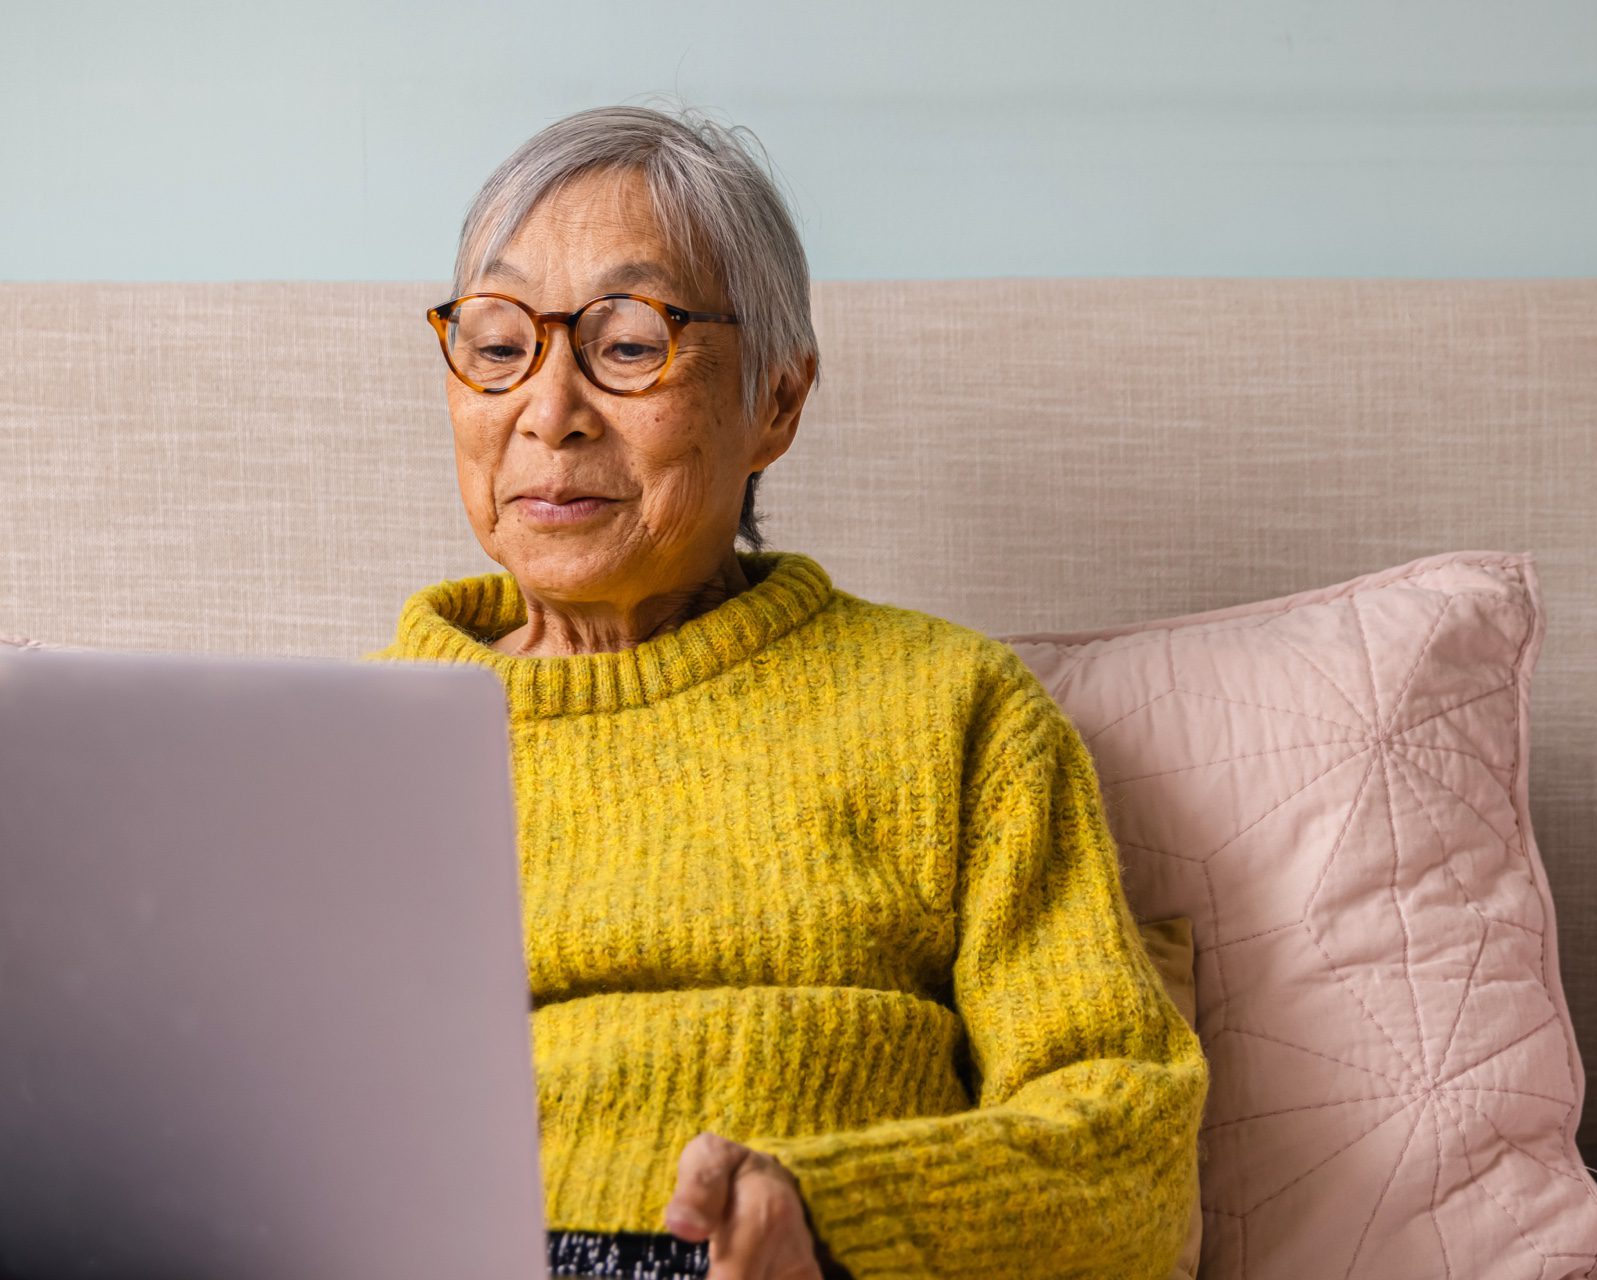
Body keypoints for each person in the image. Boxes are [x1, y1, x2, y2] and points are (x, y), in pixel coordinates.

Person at [362, 102, 1207, 1280]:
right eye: (501, 346)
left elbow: (1130, 1144)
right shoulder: (338, 752)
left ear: (777, 399)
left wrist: (832, 1219)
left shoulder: (949, 710)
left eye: (625, 341)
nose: (548, 412)